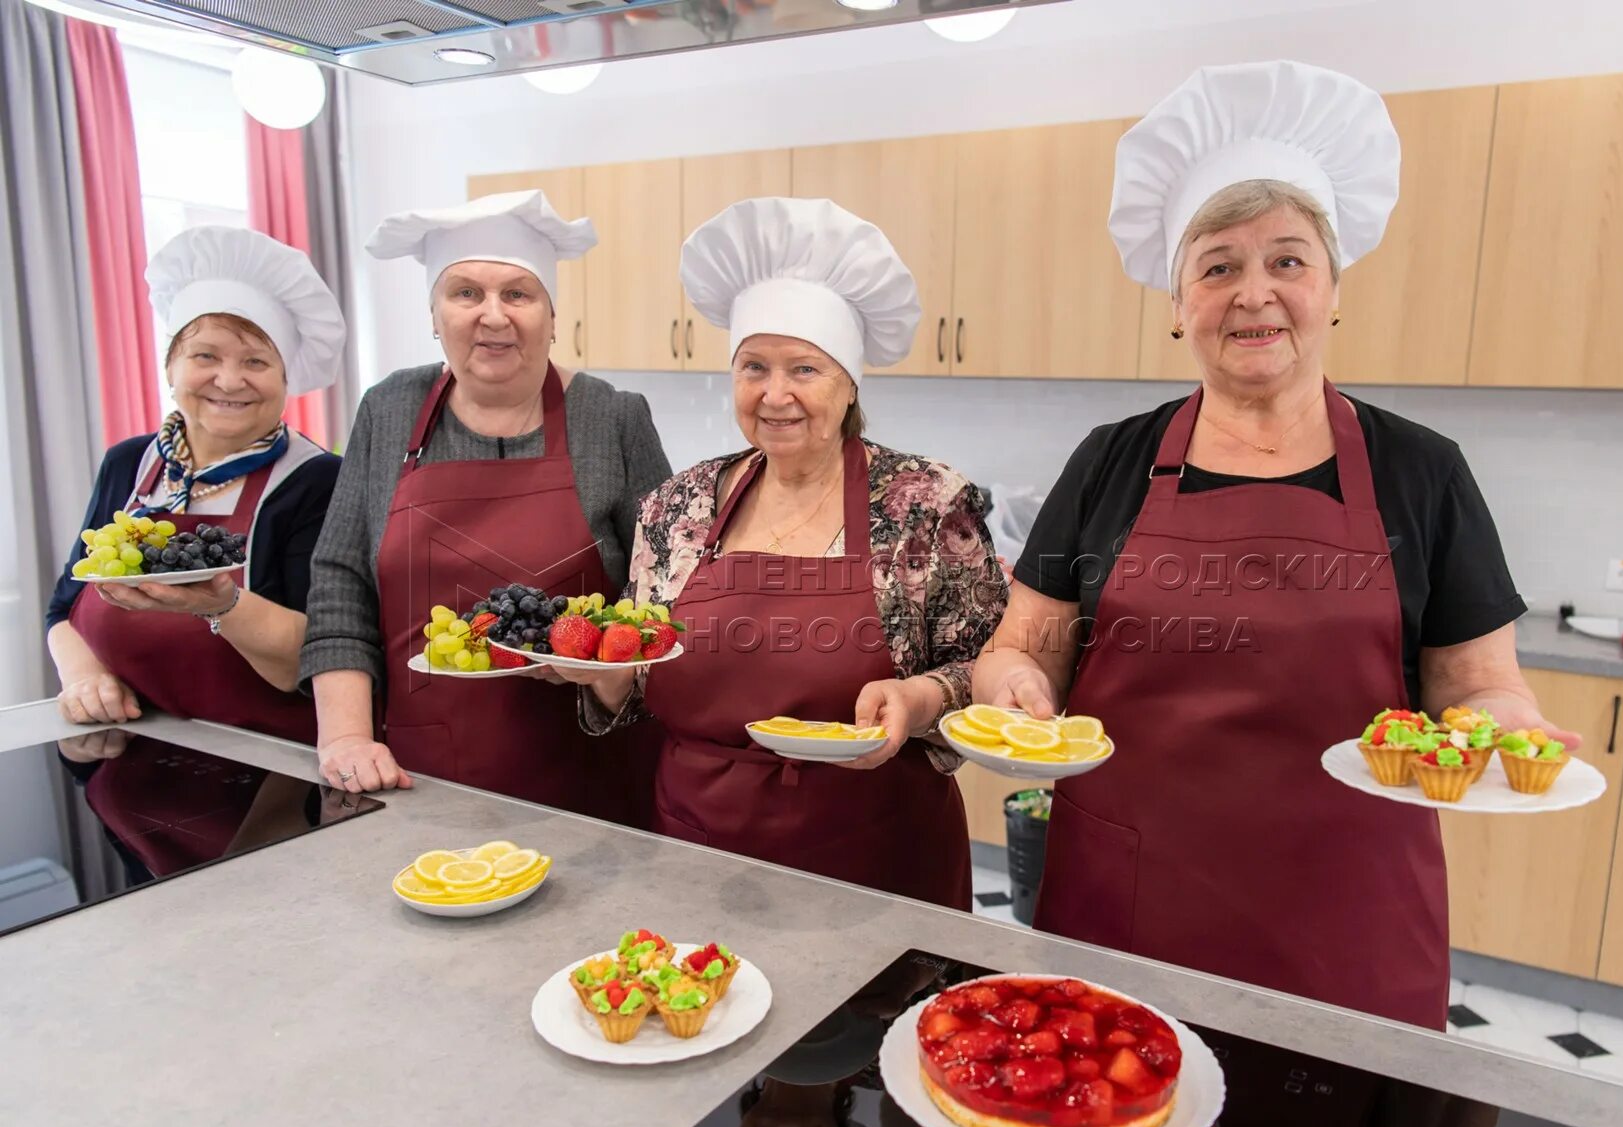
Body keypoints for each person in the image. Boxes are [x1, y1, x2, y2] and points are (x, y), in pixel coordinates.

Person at [973, 61, 1578, 1029]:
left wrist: (1508, 728)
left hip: (1347, 920)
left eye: (1288, 260)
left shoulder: (1422, 473)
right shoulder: (1111, 462)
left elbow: (1478, 685)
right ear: (1178, 304)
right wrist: (1015, 691)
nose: (1254, 294)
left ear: (1333, 289)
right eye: (1217, 266)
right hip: (1127, 910)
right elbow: (1020, 649)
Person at [576, 197, 1005, 908]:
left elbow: (994, 663)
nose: (775, 395)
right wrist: (595, 674)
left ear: (848, 383)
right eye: (753, 368)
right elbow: (641, 679)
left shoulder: (926, 502)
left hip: (878, 853)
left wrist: (920, 696)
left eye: (804, 369)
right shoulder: (678, 507)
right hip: (698, 845)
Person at [301, 190, 670, 817]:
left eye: (518, 294)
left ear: (552, 319)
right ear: (435, 314)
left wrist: (609, 679)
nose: (492, 315)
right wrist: (345, 737)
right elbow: (341, 582)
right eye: (466, 293)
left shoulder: (611, 416)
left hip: (589, 768)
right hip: (415, 773)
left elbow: (664, 595)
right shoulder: (389, 409)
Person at [47, 226, 345, 742]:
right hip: (131, 744)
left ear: (284, 379)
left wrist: (218, 603)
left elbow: (318, 652)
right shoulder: (129, 463)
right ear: (170, 366)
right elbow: (64, 606)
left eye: (255, 361)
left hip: (266, 762)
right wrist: (84, 676)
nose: (229, 381)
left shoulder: (315, 480)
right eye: (205, 356)